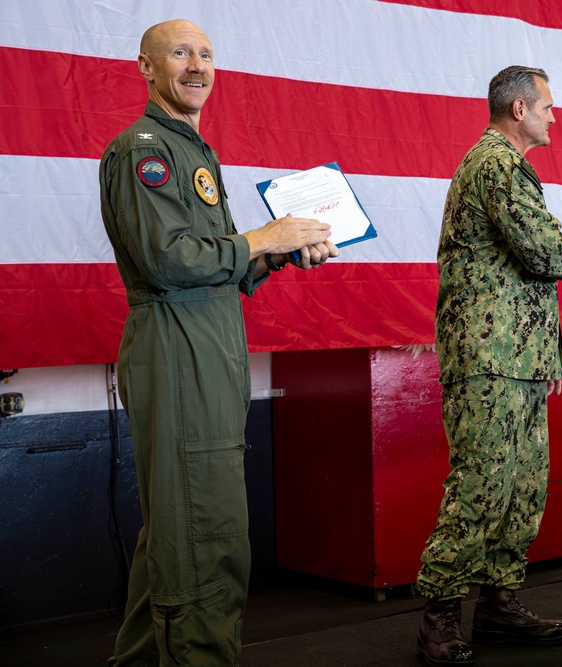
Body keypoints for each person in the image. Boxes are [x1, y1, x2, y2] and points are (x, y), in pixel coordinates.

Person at [99, 19, 337, 665]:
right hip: (178, 358)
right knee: (205, 541)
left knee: (177, 536)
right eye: (180, 53)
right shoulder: (144, 149)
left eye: (206, 54)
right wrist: (265, 237)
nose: (197, 65)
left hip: (210, 352)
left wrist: (281, 252)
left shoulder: (196, 153)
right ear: (147, 67)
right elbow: (167, 260)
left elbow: (217, 262)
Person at [415, 65, 562, 666]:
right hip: (487, 358)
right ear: (521, 110)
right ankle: (439, 616)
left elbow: (524, 275)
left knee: (523, 487)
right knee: (481, 486)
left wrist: (545, 354)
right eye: (548, 106)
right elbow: (543, 250)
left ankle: (499, 606)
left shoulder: (512, 168)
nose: (555, 115)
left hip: (518, 359)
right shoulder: (497, 165)